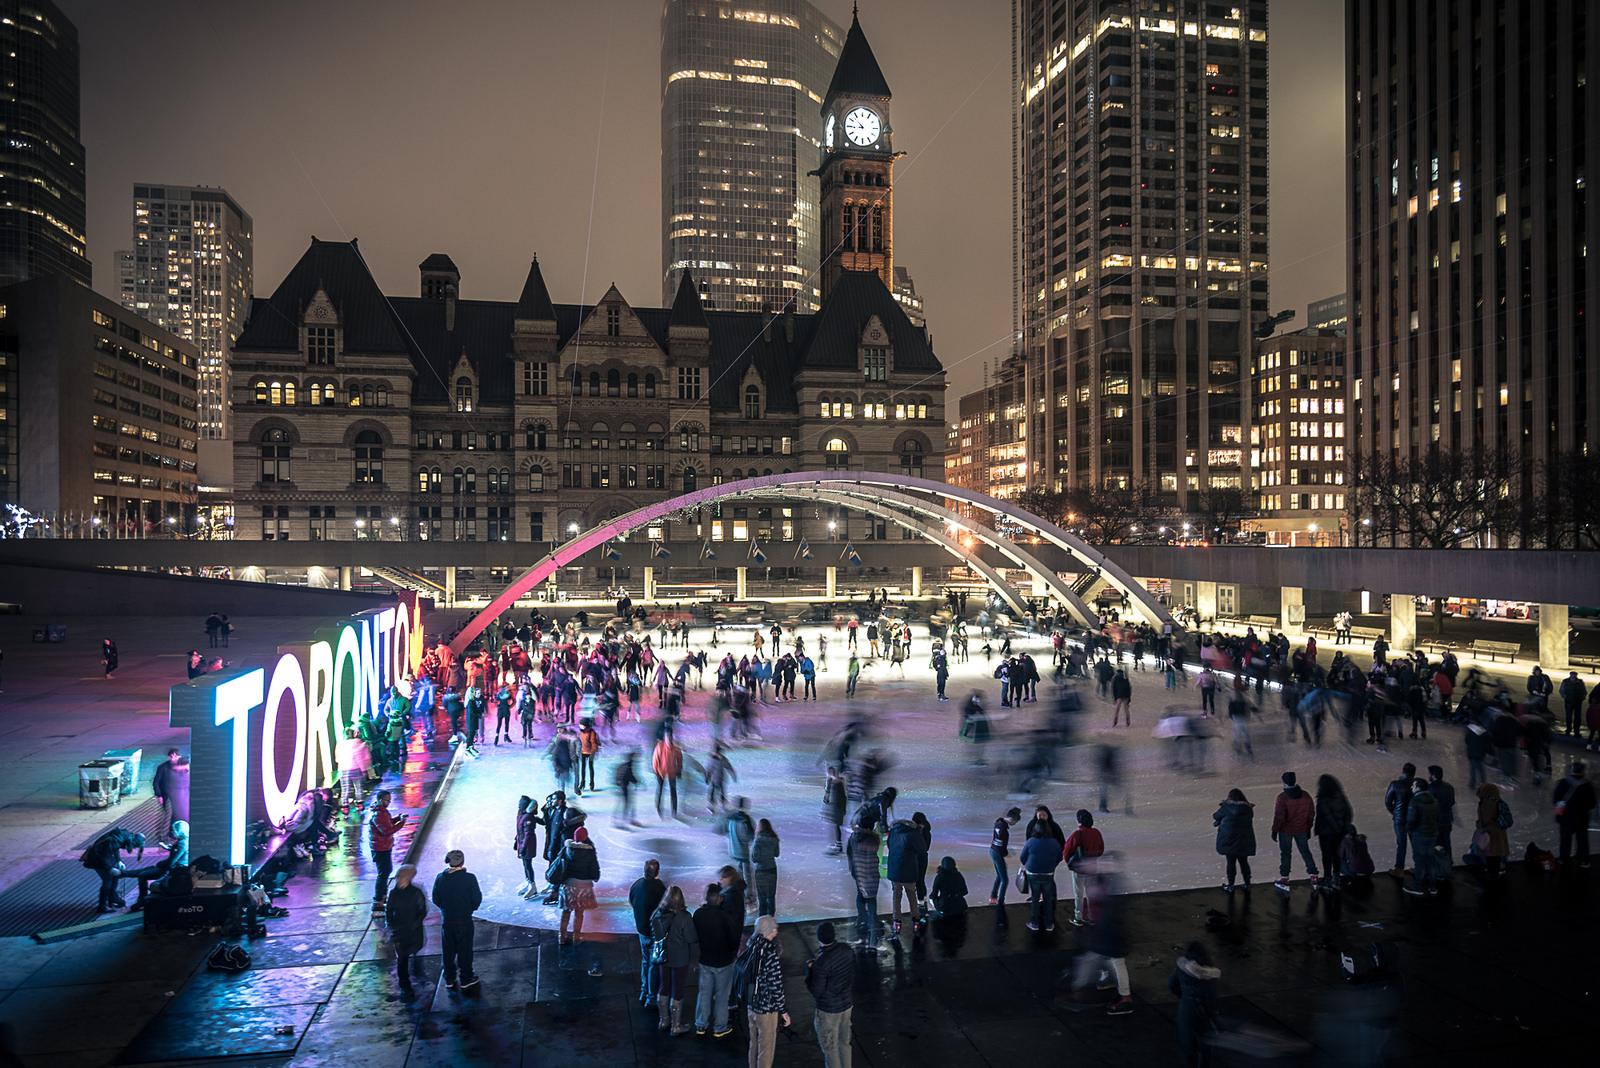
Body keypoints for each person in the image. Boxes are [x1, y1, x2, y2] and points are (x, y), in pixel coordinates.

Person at [1060, 857, 1133, 1016]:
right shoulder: (1110, 884)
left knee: (1099, 962)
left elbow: (1109, 916)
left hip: (1109, 938)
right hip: (1108, 937)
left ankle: (1123, 997)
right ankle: (1122, 995)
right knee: (1107, 963)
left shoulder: (1110, 890)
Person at [431, 849, 483, 992]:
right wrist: (470, 909)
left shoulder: (440, 878)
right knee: (465, 950)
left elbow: (436, 898)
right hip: (464, 921)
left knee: (448, 951)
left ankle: (449, 978)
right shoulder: (469, 878)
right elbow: (476, 898)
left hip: (448, 920)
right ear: (462, 862)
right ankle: (466, 978)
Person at [650, 885, 699, 1035]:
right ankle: (676, 1026)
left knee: (663, 986)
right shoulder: (684, 917)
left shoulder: (657, 914)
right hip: (680, 959)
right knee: (677, 989)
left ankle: (663, 1020)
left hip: (663, 957)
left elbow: (653, 932)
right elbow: (691, 938)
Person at [692, 882, 740, 1038]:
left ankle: (701, 1024)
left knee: (704, 992)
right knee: (722, 995)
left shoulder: (698, 914)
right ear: (720, 899)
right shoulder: (726, 918)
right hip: (723, 962)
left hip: (705, 960)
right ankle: (719, 1027)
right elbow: (733, 941)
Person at [806, 920, 855, 1068]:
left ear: (819, 938)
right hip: (846, 1005)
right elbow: (853, 973)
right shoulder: (846, 950)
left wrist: (810, 971)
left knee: (830, 1049)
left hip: (828, 1010)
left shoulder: (821, 963)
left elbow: (816, 990)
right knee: (845, 1043)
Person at [745, 915, 790, 1068]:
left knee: (754, 1043)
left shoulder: (751, 946)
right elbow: (776, 985)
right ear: (770, 930)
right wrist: (783, 1011)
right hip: (766, 1010)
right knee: (766, 1048)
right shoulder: (771, 954)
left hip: (751, 1005)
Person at [1168, 941, 1221, 1067]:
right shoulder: (1212, 975)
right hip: (1204, 1017)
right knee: (1205, 1051)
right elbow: (1212, 998)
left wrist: (1184, 998)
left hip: (1186, 1014)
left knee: (1189, 1051)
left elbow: (1171, 984)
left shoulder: (1182, 969)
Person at [384, 864, 428, 998]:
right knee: (403, 958)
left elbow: (390, 911)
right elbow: (390, 911)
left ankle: (408, 980)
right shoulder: (412, 893)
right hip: (406, 931)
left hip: (406, 931)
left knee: (405, 957)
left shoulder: (408, 893)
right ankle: (407, 982)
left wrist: (393, 925)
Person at [552, 825, 601, 944]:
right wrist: (595, 877)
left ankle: (562, 936)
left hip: (569, 885)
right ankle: (576, 936)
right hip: (584, 887)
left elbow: (559, 864)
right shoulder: (590, 851)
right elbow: (594, 870)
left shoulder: (567, 849)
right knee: (579, 913)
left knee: (566, 911)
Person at [1270, 771, 1318, 891]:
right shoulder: (1305, 795)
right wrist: (1308, 827)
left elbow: (1279, 816)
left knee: (1286, 853)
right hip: (1301, 828)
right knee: (1305, 851)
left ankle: (1285, 876)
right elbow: (1311, 813)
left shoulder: (1282, 798)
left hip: (1286, 830)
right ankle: (1313, 874)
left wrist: (1275, 830)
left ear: (1284, 782)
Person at [629, 859, 668, 1005]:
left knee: (645, 961)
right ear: (657, 871)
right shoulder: (660, 888)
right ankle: (651, 997)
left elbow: (632, 901)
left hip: (642, 930)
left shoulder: (637, 885)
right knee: (654, 963)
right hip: (655, 932)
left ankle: (644, 990)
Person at [1062, 809, 1105, 926]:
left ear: (1079, 822)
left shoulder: (1077, 834)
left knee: (1079, 893)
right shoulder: (1097, 833)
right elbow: (1101, 849)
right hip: (1092, 867)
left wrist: (1070, 862)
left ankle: (1078, 917)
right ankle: (1091, 916)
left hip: (1079, 868)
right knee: (1091, 893)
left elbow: (1067, 851)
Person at [846, 821, 884, 951]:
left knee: (861, 898)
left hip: (859, 874)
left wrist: (854, 870)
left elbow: (849, 853)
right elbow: (873, 858)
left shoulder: (853, 838)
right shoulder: (872, 839)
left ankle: (860, 932)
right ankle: (874, 941)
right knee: (872, 908)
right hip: (870, 876)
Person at [368, 790, 408, 913]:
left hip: (384, 846)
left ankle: (382, 896)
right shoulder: (378, 814)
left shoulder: (382, 813)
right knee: (383, 872)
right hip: (380, 848)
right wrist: (401, 823)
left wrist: (397, 819)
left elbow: (388, 823)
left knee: (386, 871)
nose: (389, 802)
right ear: (381, 800)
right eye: (387, 800)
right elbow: (386, 830)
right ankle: (378, 900)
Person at [1401, 778, 1442, 896]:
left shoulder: (1415, 801)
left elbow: (1411, 820)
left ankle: (1417, 885)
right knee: (1430, 860)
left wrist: (1409, 829)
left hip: (1420, 835)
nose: (1411, 787)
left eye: (1413, 785)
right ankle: (1432, 886)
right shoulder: (1434, 800)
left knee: (1419, 861)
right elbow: (1438, 818)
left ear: (1418, 787)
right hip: (1432, 835)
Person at [1312, 774, 1354, 888]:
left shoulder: (1323, 799)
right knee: (1336, 854)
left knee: (1326, 855)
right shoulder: (1340, 796)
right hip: (1339, 832)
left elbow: (1327, 815)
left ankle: (1327, 877)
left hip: (1326, 832)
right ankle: (1336, 876)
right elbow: (1349, 812)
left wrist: (1335, 828)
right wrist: (1343, 827)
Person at [1019, 824, 1062, 932]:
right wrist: (1052, 865)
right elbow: (1059, 857)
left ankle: (1034, 923)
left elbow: (1022, 858)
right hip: (1048, 874)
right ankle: (1049, 924)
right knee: (1047, 898)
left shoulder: (1031, 842)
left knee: (1035, 897)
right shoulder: (1054, 842)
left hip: (1033, 873)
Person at [1213, 788, 1257, 892]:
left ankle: (1231, 885)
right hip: (1244, 839)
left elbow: (1215, 816)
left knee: (1231, 862)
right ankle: (1247, 884)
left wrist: (1220, 821)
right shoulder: (1248, 809)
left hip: (1229, 839)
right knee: (1244, 862)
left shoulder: (1225, 807)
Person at [1553, 761, 1595, 868]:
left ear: (1572, 770)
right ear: (1583, 772)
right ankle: (1583, 860)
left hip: (1565, 818)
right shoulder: (1587, 786)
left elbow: (1555, 799)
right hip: (1582, 818)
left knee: (1565, 840)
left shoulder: (1563, 783)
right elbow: (1592, 803)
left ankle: (1564, 859)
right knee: (1582, 841)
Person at [1383, 762, 1418, 875]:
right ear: (1414, 773)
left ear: (1403, 772)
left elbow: (1388, 801)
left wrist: (1394, 812)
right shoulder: (1417, 785)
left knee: (1401, 842)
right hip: (1413, 818)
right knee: (1415, 842)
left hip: (1400, 818)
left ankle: (1399, 868)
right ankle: (1419, 866)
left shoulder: (1395, 784)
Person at [1474, 783, 1511, 876]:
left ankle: (1492, 875)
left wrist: (1478, 824)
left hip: (1490, 833)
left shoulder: (1485, 803)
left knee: (1490, 855)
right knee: (1497, 854)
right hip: (1500, 832)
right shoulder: (1498, 801)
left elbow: (1484, 820)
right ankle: (1498, 871)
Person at [723, 798, 756, 899]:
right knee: (747, 874)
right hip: (743, 851)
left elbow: (726, 832)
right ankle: (748, 894)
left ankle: (739, 893)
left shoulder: (731, 818)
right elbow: (750, 836)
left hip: (733, 850)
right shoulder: (747, 820)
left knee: (738, 872)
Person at [989, 806, 1022, 907]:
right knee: (1005, 880)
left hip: (992, 851)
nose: (1014, 824)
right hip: (997, 853)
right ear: (1012, 819)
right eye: (1015, 822)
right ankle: (1000, 901)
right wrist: (1005, 853)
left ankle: (993, 897)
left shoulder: (999, 822)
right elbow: (1000, 845)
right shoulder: (1003, 829)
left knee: (999, 876)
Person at [151, 748, 191, 829]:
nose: (173, 758)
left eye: (176, 756)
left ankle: (180, 832)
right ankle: (170, 834)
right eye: (171, 756)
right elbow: (156, 782)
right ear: (168, 757)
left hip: (183, 796)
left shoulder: (184, 766)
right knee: (170, 816)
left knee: (182, 815)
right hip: (168, 797)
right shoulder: (163, 768)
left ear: (179, 757)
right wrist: (158, 795)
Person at [1425, 766, 1457, 867]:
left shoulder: (1431, 788)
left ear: (1433, 776)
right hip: (1447, 820)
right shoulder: (1449, 787)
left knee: (1437, 843)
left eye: (1429, 774)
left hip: (1436, 821)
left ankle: (1439, 864)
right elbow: (1451, 802)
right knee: (1446, 841)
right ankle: (1448, 861)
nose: (1428, 776)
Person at [751, 818, 781, 917]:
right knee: (771, 896)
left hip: (761, 870)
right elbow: (776, 854)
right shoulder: (775, 839)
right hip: (772, 869)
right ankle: (771, 917)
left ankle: (762, 919)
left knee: (762, 896)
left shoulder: (757, 841)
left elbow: (754, 858)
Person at [653, 730, 684, 819]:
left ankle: (674, 810)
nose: (669, 740)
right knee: (660, 789)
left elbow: (680, 760)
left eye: (670, 738)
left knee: (673, 791)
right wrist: (656, 772)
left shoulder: (676, 749)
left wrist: (679, 770)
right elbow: (655, 759)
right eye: (668, 738)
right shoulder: (660, 746)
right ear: (665, 738)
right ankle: (658, 806)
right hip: (661, 772)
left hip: (672, 772)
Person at [822, 765, 848, 854]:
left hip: (838, 808)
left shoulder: (838, 783)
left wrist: (843, 809)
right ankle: (837, 845)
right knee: (835, 827)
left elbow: (843, 797)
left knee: (836, 827)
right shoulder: (832, 782)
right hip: (835, 808)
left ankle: (838, 846)